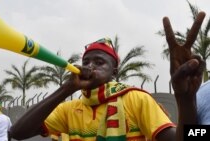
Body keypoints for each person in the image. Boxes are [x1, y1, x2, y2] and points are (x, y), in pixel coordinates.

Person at [10, 12, 206, 141]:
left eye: (99, 62)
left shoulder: (136, 99)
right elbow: (17, 133)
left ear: (114, 72)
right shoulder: (69, 109)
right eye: (86, 62)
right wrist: (65, 89)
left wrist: (185, 99)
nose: (89, 66)